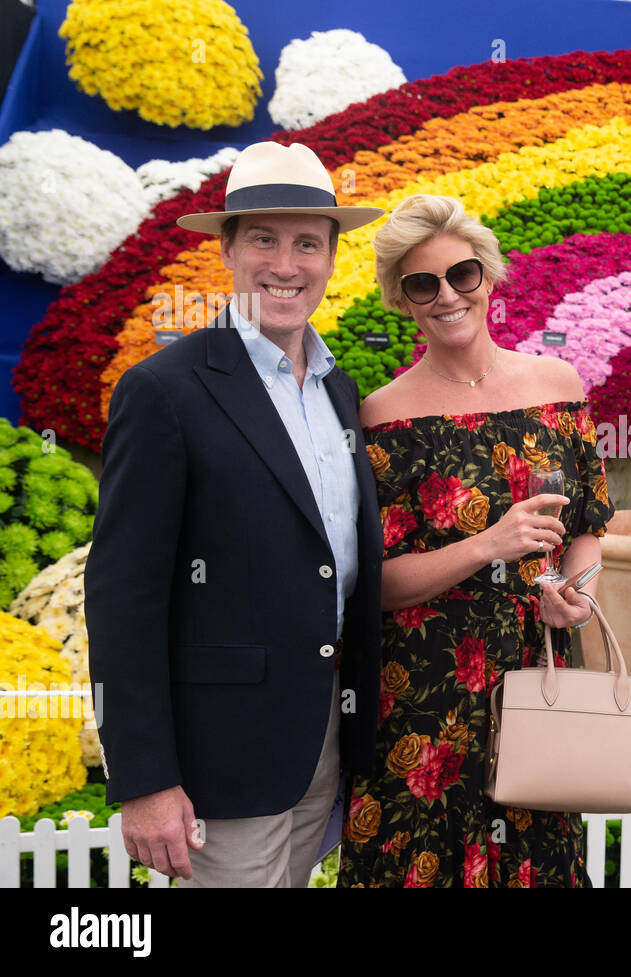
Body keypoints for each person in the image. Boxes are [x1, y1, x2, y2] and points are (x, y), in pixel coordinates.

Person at [85, 141, 386, 887]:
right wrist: (146, 780)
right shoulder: (165, 391)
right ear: (225, 248)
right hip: (223, 755)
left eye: (308, 243)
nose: (287, 263)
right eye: (264, 238)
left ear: (331, 257)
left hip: (323, 741)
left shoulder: (338, 390)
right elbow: (122, 599)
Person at [338, 194, 615, 888]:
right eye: (421, 283)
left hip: (535, 685)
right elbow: (371, 585)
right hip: (421, 704)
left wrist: (574, 598)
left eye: (461, 274)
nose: (446, 295)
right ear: (401, 300)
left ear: (488, 276)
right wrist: (487, 543)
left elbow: (587, 533)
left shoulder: (557, 388)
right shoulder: (382, 416)